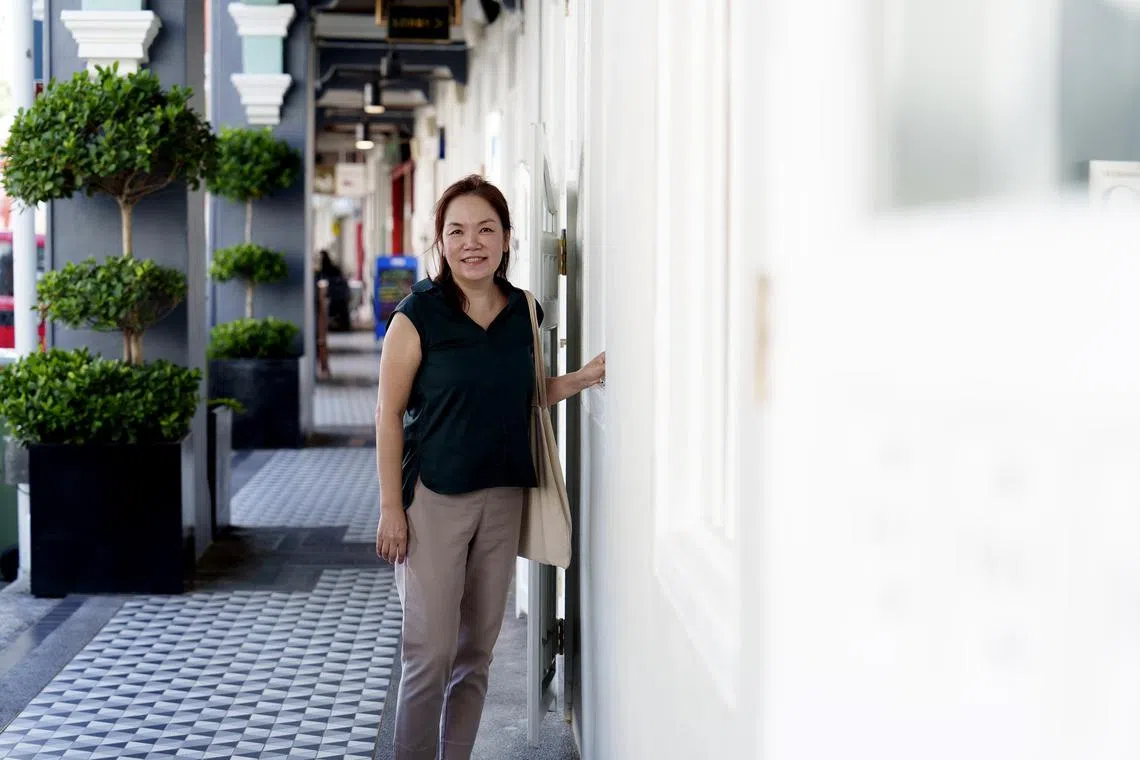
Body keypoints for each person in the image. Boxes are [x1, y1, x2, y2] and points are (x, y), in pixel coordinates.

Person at [374, 174, 605, 760]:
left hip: (502, 496)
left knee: (478, 652)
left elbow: (523, 393)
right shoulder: (416, 316)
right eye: (457, 231)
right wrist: (390, 509)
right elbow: (388, 413)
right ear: (440, 240)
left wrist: (579, 379)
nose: (472, 242)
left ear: (506, 237)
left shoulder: (524, 310)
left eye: (486, 229)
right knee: (429, 654)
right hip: (433, 498)